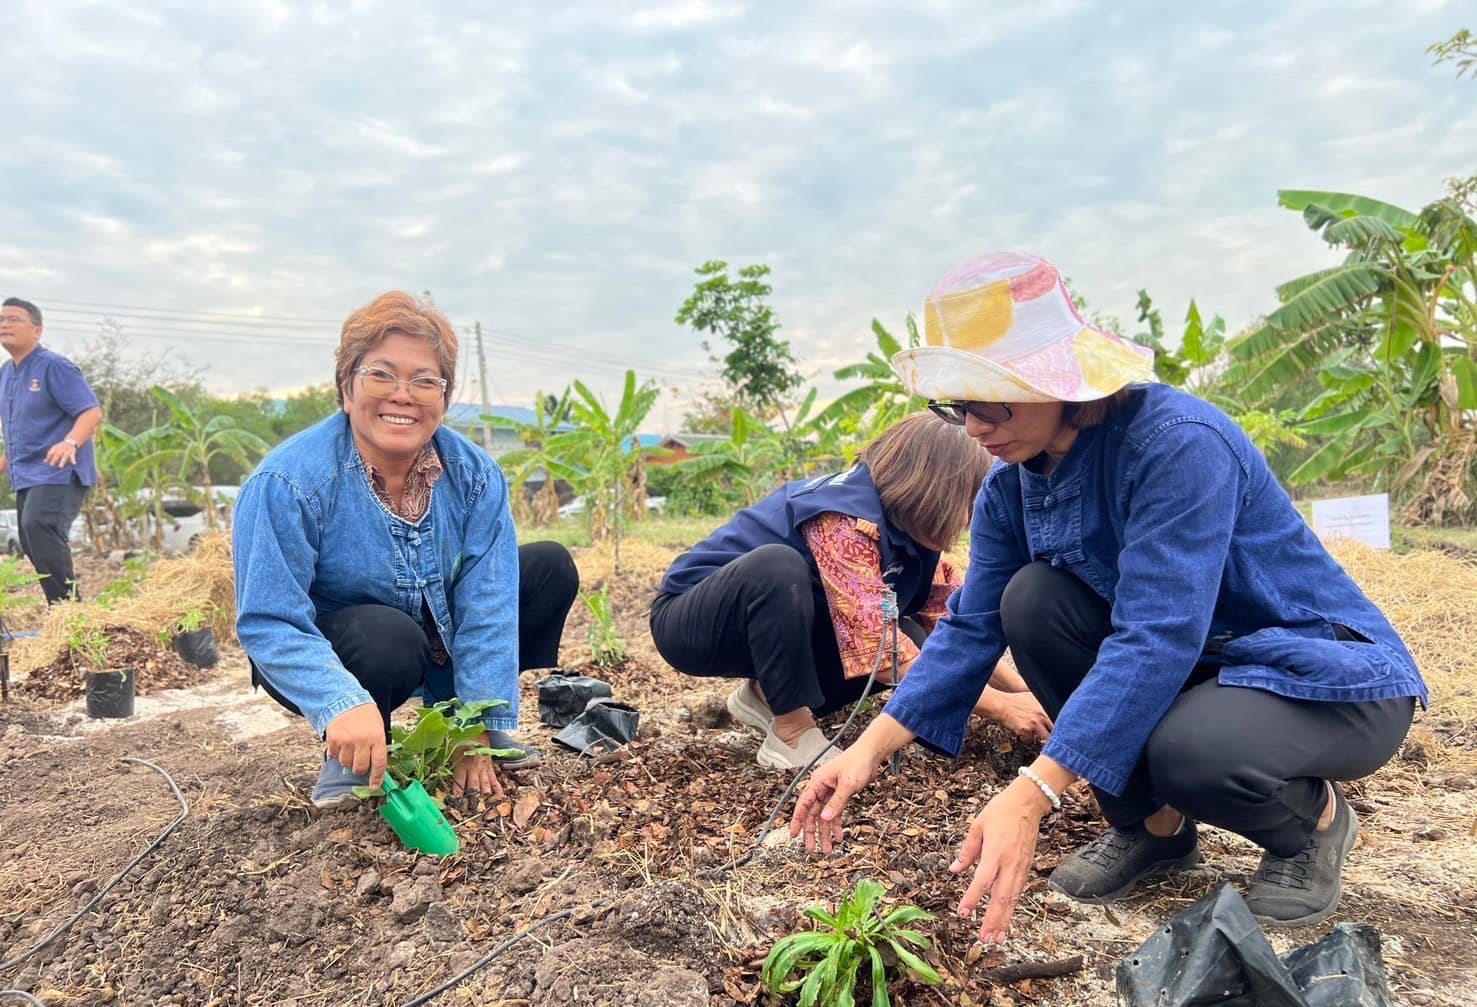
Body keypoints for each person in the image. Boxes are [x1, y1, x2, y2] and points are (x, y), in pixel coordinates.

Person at [792, 252, 1426, 938]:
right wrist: (865, 750)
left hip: (1315, 675)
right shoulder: (1012, 487)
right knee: (1031, 599)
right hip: (1200, 671)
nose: (972, 427)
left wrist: (1032, 794)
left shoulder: (1176, 444)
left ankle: (1313, 826)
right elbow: (970, 627)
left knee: (1187, 755)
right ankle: (1152, 830)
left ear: (1056, 377)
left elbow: (1155, 635)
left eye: (990, 398)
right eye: (959, 404)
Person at [233, 291, 580, 808]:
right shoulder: (288, 482)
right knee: (386, 636)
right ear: (347, 388)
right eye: (381, 375)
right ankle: (352, 751)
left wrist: (471, 724)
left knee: (548, 566)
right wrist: (338, 701)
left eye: (425, 381)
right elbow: (269, 619)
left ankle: (454, 721)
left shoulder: (474, 474)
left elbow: (488, 598)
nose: (403, 395)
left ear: (443, 398)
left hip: (431, 626)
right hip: (345, 644)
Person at [651, 412, 1051, 770]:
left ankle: (765, 695)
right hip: (693, 620)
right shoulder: (844, 520)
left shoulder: (917, 540)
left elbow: (956, 631)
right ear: (936, 489)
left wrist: (1028, 694)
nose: (969, 518)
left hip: (767, 631)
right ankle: (790, 729)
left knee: (909, 638)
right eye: (970, 500)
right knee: (779, 568)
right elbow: (881, 649)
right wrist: (1001, 709)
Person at [0, 298, 102, 603]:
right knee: (31, 541)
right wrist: (7, 460)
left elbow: (91, 412)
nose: (5, 324)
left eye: (14, 319)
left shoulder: (55, 367)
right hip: (28, 473)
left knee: (39, 527)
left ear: (37, 330)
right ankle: (62, 611)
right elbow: (22, 427)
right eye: (2, 319)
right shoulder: (5, 373)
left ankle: (72, 613)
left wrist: (70, 442)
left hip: (60, 470)